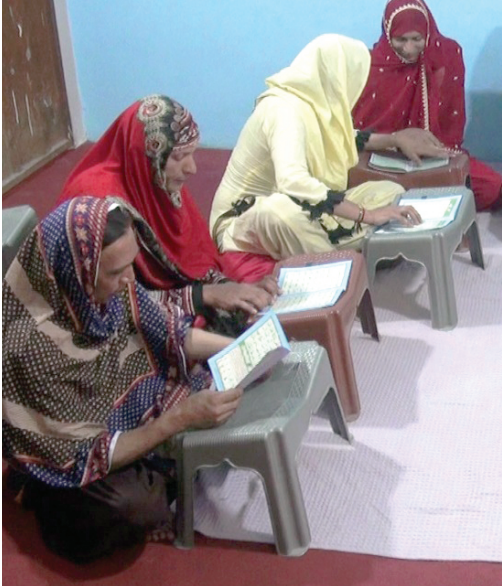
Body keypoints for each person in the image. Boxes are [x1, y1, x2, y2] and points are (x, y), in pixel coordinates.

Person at [3, 197, 243, 563]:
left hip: (120, 420)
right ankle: (38, 494)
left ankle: (159, 462)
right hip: (65, 455)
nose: (130, 279)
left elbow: (170, 333)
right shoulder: (30, 347)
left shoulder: (102, 289)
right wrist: (179, 418)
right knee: (133, 507)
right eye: (115, 272)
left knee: (216, 372)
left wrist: (240, 350)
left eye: (131, 264)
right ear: (75, 271)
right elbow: (83, 453)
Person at [57, 94, 279, 329]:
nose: (192, 168)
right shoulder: (98, 206)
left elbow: (195, 257)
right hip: (105, 318)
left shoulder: (150, 177)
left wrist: (235, 288)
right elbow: (105, 301)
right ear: (146, 153)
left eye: (192, 153)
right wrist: (203, 296)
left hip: (156, 298)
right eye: (178, 157)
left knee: (247, 315)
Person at [210, 34, 422, 261]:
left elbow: (341, 138)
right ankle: (350, 256)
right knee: (279, 213)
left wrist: (394, 139)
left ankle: (343, 246)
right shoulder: (282, 109)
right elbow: (292, 182)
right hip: (245, 219)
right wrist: (368, 215)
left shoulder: (312, 105)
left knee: (390, 191)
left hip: (304, 206)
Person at [351, 0, 502, 212]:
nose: (409, 48)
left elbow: (450, 128)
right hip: (382, 158)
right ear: (387, 33)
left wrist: (430, 149)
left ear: (428, 32)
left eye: (417, 39)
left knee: (491, 188)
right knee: (355, 190)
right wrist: (395, 142)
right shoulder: (370, 66)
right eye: (400, 39)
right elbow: (357, 134)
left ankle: (417, 197)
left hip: (433, 157)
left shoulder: (445, 57)